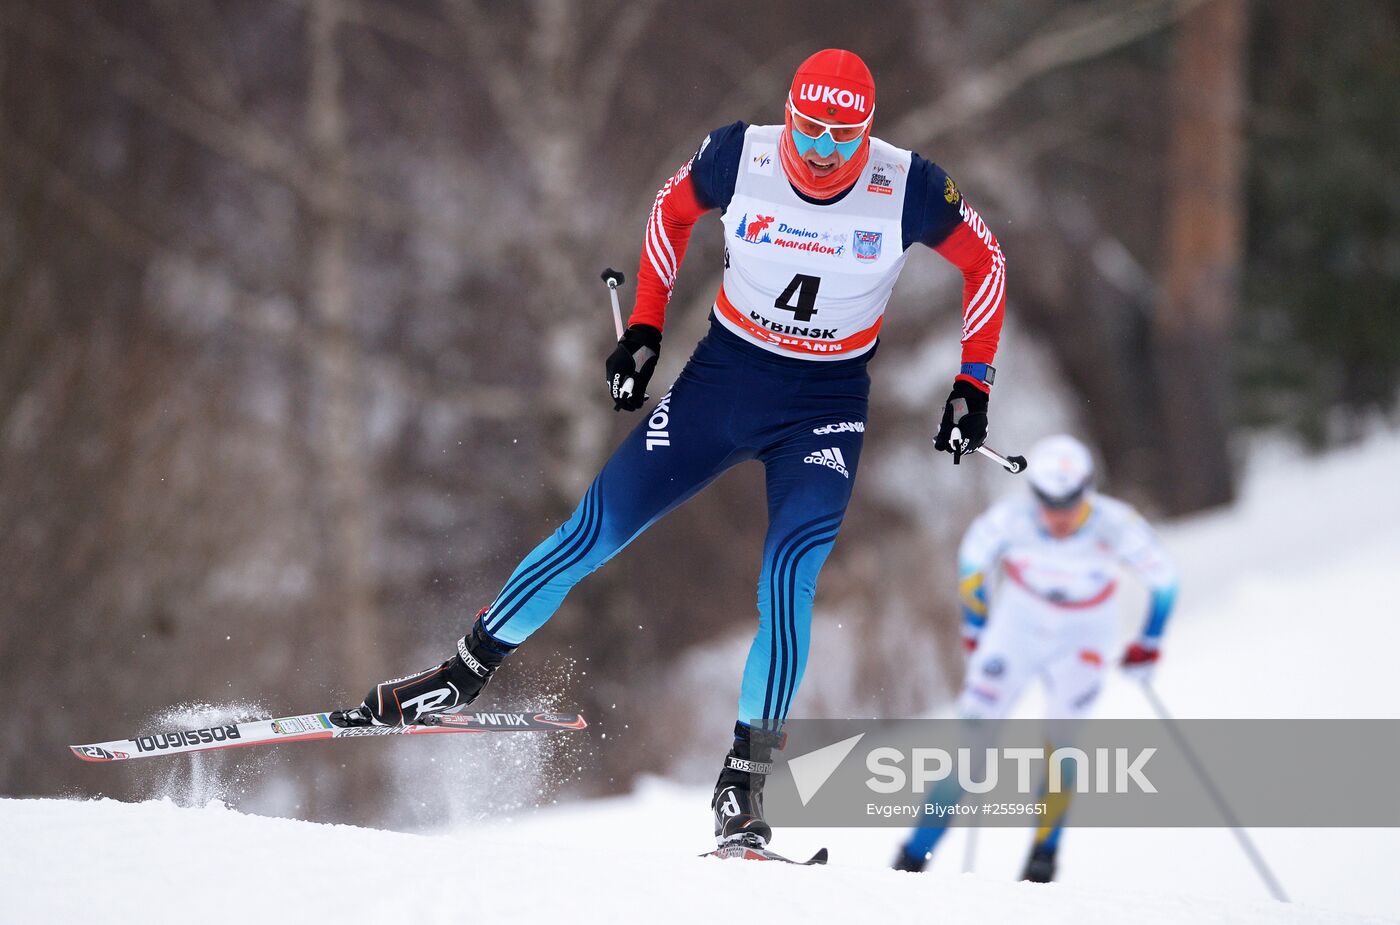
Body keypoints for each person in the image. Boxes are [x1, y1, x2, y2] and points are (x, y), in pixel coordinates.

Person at [334, 49, 1007, 853]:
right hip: (723, 383)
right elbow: (669, 210)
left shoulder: (910, 186)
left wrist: (974, 384)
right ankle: (460, 676)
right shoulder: (741, 155)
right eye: (810, 129)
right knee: (594, 529)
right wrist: (646, 327)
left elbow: (986, 262)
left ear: (868, 132)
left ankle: (742, 784)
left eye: (844, 136)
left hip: (824, 407)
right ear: (789, 114)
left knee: (789, 576)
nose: (824, 150)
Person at [892, 434, 1178, 880]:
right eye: (1047, 501)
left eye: (1069, 501)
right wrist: (977, 627)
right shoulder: (1011, 518)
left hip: (1084, 633)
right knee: (972, 743)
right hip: (1019, 625)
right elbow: (972, 563)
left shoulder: (1116, 524)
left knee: (1062, 744)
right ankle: (912, 858)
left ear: (1086, 489)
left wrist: (1150, 641)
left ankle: (1042, 862)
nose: (1058, 514)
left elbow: (1164, 581)